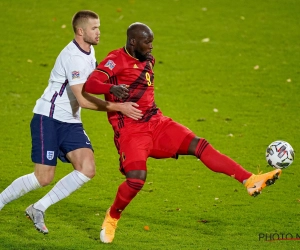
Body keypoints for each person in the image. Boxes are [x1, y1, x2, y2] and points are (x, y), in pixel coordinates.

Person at [83, 22, 282, 243]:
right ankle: (112, 217)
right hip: (131, 131)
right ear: (133, 42)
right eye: (147, 42)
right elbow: (90, 84)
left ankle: (250, 180)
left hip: (158, 123)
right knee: (136, 179)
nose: (151, 47)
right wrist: (111, 88)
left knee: (199, 145)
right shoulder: (116, 59)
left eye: (152, 42)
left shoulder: (149, 59)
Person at [0, 11, 142, 234]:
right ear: (80, 31)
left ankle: (38, 207)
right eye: (94, 28)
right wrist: (119, 107)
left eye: (99, 27)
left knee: (87, 168)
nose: (99, 32)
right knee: (43, 177)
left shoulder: (89, 50)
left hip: (70, 121)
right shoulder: (72, 57)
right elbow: (83, 99)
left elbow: (94, 83)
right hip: (48, 117)